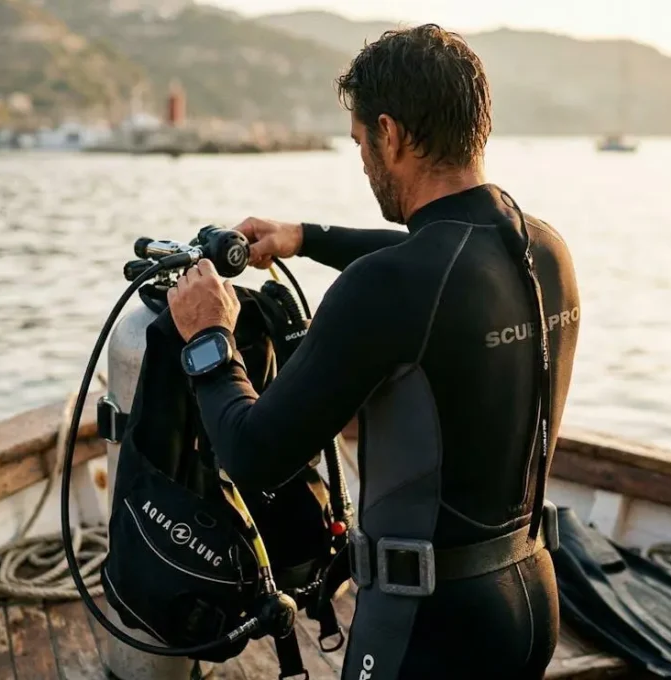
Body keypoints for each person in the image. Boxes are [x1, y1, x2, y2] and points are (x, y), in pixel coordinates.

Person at [166, 24, 581, 679]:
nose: (362, 162)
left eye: (360, 142)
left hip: (426, 629)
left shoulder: (390, 287)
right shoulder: (545, 250)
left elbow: (250, 454)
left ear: (391, 134)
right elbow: (436, 262)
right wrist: (303, 237)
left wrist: (209, 339)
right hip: (531, 599)